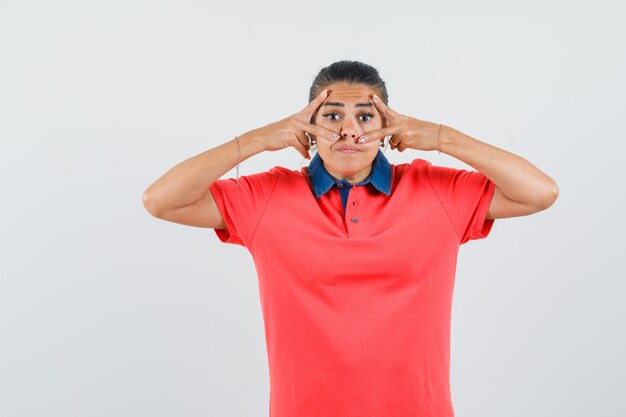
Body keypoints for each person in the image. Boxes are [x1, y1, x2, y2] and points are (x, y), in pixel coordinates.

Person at [142, 60, 559, 417]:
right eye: (331, 115)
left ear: (386, 124)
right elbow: (161, 201)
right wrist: (257, 140)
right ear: (308, 124)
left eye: (364, 116)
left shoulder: (433, 189)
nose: (348, 130)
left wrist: (438, 137)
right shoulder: (268, 197)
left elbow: (540, 192)